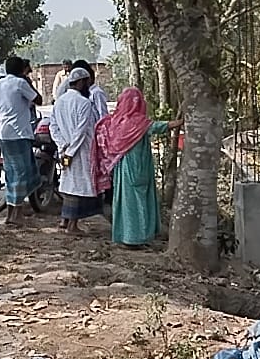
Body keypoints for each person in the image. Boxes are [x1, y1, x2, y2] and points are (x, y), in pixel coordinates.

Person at [94, 87, 181, 248]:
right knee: (139, 201)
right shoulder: (137, 123)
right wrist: (179, 123)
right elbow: (157, 127)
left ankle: (125, 235)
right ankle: (137, 238)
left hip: (122, 170)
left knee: (125, 202)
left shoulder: (115, 122)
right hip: (139, 167)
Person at [0, 56, 42, 227]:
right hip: (19, 134)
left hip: (4, 134)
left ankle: (12, 212)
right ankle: (16, 212)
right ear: (22, 69)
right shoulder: (20, 83)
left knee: (12, 173)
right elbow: (38, 100)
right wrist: (28, 82)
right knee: (21, 174)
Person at [49, 67, 101, 234]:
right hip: (80, 151)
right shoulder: (84, 103)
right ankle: (72, 225)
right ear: (80, 83)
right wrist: (70, 151)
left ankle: (65, 220)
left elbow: (53, 127)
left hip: (66, 150)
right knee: (78, 187)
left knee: (69, 184)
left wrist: (62, 145)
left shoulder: (59, 102)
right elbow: (81, 131)